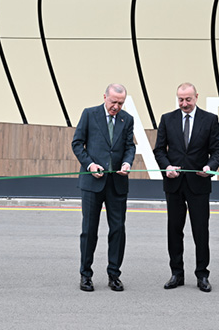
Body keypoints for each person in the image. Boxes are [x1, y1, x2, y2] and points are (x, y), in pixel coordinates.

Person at [153, 82, 219, 292]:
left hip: (199, 183)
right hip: (174, 184)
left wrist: (210, 167)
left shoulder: (210, 120)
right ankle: (176, 273)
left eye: (188, 99)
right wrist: (166, 167)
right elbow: (159, 150)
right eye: (181, 99)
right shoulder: (167, 119)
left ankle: (202, 275)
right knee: (174, 230)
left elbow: (217, 151)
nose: (184, 103)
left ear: (196, 97)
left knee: (201, 231)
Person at [71, 83, 135, 292]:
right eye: (113, 102)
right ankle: (85, 275)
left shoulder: (127, 119)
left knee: (118, 230)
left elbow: (129, 146)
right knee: (89, 230)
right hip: (92, 183)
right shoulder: (89, 114)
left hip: (117, 184)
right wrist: (90, 165)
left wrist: (127, 163)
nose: (116, 106)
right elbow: (77, 143)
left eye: (120, 103)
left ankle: (114, 275)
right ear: (104, 97)